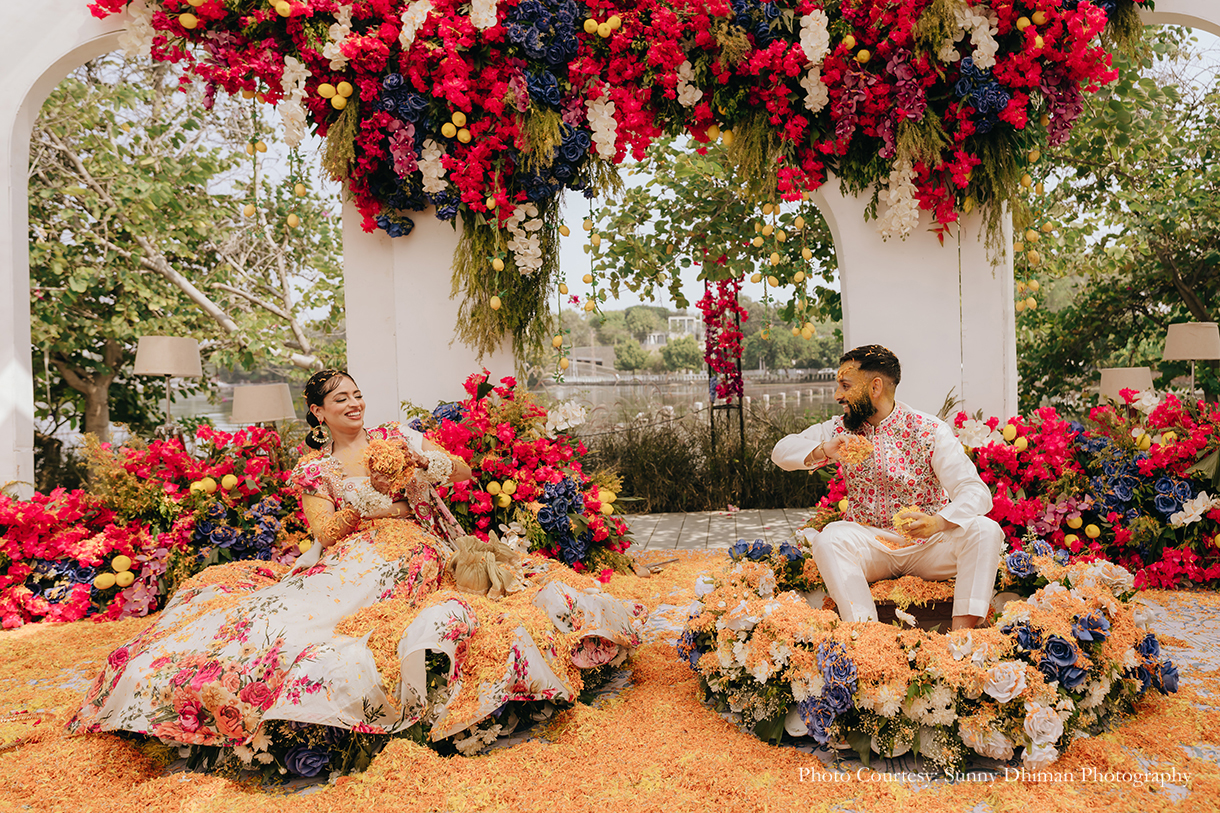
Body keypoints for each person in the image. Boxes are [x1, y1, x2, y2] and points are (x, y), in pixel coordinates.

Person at [68, 369, 645, 767]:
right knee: (281, 613)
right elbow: (323, 531)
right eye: (339, 398)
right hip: (349, 553)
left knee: (368, 613)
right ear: (318, 413)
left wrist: (426, 466)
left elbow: (464, 475)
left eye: (357, 394)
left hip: (414, 551)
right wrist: (359, 501)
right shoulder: (314, 469)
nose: (354, 403)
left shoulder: (396, 437)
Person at [771, 346, 1002, 629]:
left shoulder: (929, 430)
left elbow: (974, 490)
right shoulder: (839, 430)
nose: (837, 396)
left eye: (845, 386)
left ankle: (962, 641)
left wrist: (937, 522)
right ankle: (866, 636)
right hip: (870, 546)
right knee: (830, 538)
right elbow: (781, 451)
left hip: (927, 546)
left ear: (875, 386)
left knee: (985, 530)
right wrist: (823, 450)